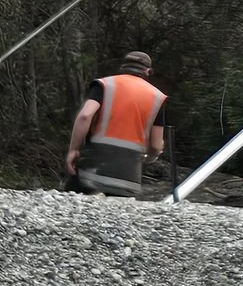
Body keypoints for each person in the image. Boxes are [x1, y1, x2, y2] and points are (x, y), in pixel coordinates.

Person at [66, 50, 168, 197]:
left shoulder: (105, 85)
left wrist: (73, 150)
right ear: (148, 71)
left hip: (92, 165)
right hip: (128, 174)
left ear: (123, 67)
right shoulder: (157, 97)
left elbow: (84, 116)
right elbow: (157, 146)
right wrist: (150, 157)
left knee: (70, 207)